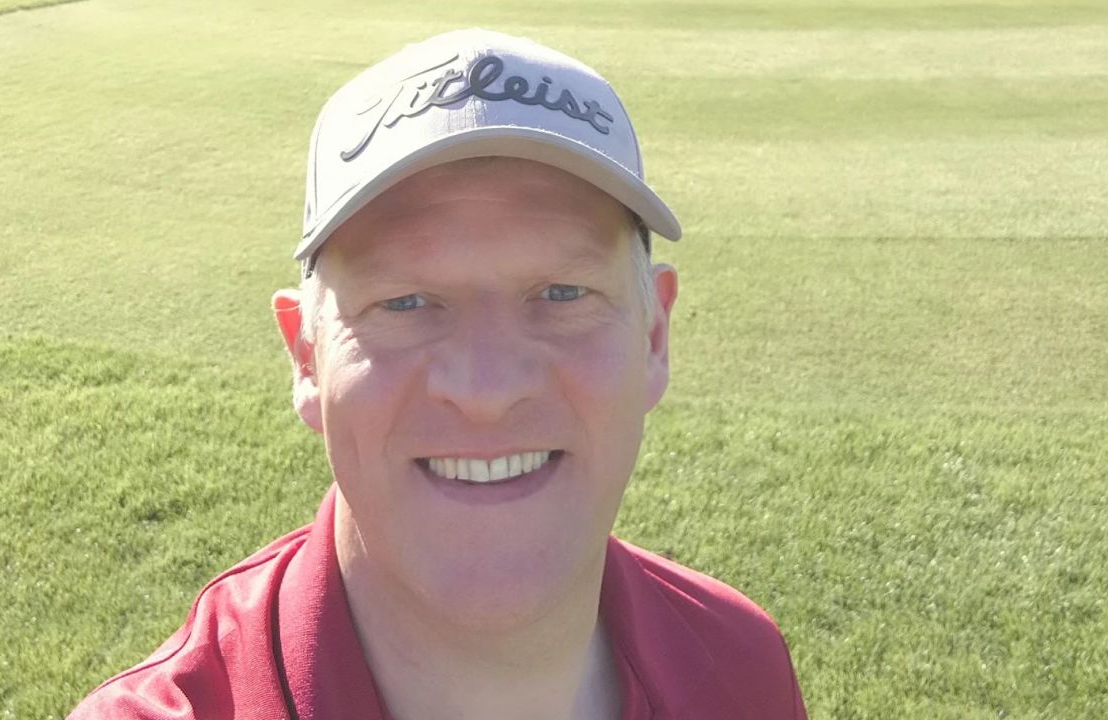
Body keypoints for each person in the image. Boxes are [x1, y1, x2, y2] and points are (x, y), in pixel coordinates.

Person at [69, 28, 806, 720]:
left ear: (653, 337)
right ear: (307, 357)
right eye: (405, 302)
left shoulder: (742, 663)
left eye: (562, 293)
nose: (487, 391)